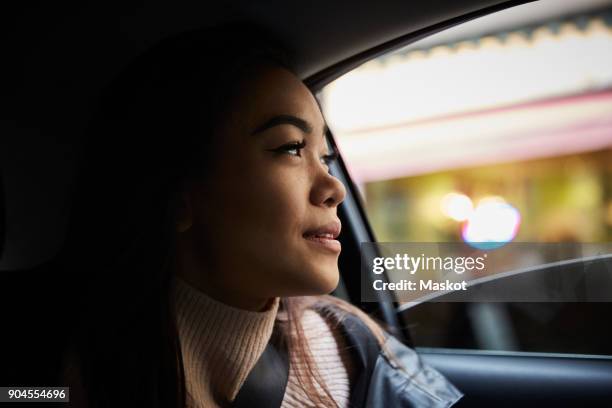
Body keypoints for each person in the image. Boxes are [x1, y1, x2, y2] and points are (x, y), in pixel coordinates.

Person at [58, 22, 462, 407]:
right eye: (289, 148)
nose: (334, 188)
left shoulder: (349, 342)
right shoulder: (44, 371)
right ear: (179, 194)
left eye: (326, 158)